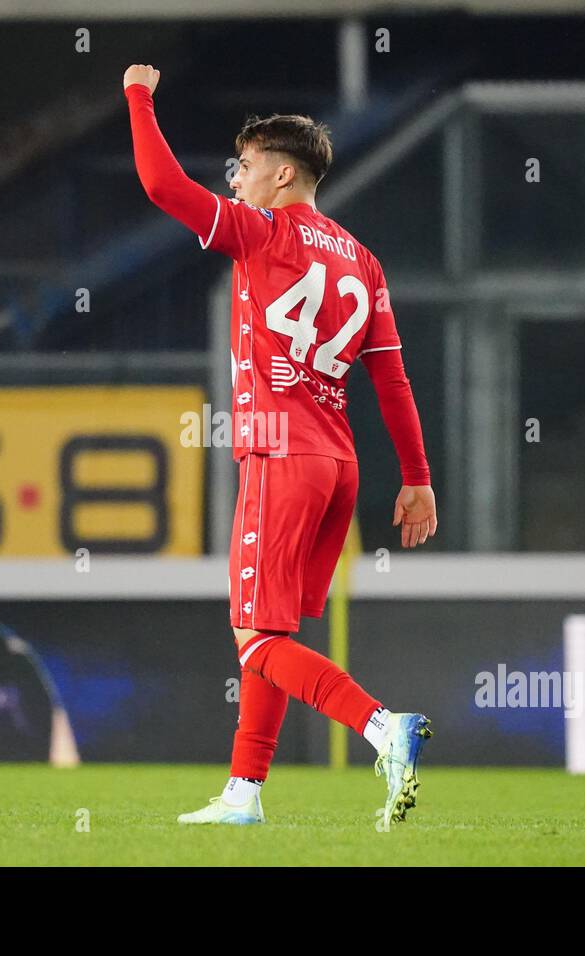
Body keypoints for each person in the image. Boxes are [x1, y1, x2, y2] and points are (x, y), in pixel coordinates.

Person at [124, 64, 437, 826]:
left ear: (285, 172)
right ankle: (244, 793)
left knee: (254, 638)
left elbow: (163, 187)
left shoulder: (262, 234)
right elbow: (392, 381)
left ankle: (381, 727)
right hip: (339, 466)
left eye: (249, 163)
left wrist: (137, 95)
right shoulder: (364, 261)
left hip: (279, 455)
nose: (237, 177)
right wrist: (418, 477)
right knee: (271, 634)